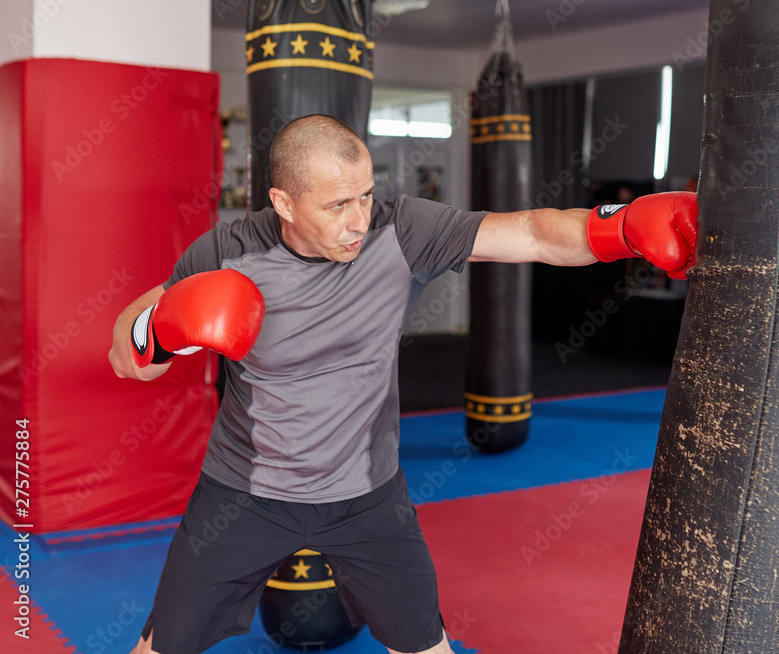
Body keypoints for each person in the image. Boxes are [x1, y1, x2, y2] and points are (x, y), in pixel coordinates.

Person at [109, 114, 698, 654]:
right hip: (242, 494)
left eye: (366, 195)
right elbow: (128, 356)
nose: (358, 221)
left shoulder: (402, 230)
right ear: (282, 202)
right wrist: (159, 332)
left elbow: (531, 233)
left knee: (426, 648)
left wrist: (618, 230)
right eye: (337, 204)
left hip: (368, 497)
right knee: (160, 648)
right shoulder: (225, 253)